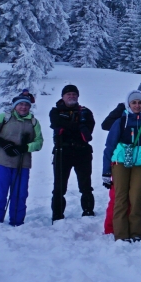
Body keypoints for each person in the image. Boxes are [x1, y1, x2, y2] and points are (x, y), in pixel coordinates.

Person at [101, 91, 141, 241]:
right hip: (120, 163)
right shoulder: (121, 122)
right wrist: (106, 171)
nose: (137, 105)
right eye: (134, 102)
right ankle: (121, 234)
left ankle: (136, 233)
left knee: (136, 198)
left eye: (140, 103)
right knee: (120, 198)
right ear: (128, 104)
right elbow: (109, 146)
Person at [0, 94, 44, 226]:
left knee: (20, 195)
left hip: (22, 164)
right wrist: (0, 141)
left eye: (26, 105)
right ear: (15, 106)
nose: (23, 107)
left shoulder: (33, 122)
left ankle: (17, 223)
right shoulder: (4, 117)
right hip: (0, 162)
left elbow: (39, 142)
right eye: (20, 104)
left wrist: (25, 147)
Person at [49, 84, 95, 220]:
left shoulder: (86, 111)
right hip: (62, 151)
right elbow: (56, 124)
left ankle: (88, 211)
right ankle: (57, 214)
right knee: (59, 185)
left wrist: (67, 126)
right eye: (68, 94)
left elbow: (89, 131)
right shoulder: (55, 111)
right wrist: (79, 126)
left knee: (86, 185)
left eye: (74, 94)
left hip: (82, 152)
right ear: (63, 96)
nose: (71, 96)